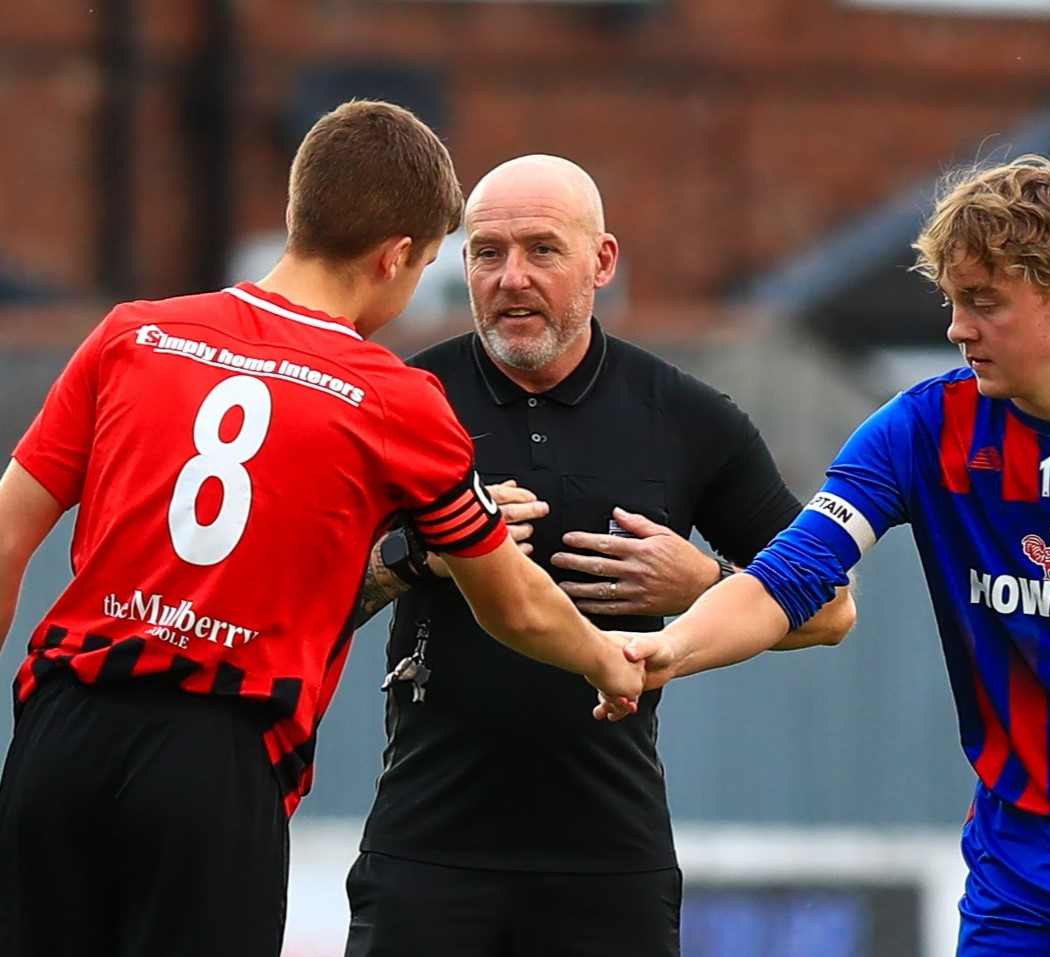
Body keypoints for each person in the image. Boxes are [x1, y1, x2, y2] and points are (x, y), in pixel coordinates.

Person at [0, 103, 642, 957]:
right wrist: (608, 658)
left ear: (301, 213)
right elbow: (512, 603)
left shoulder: (133, 334)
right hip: (214, 757)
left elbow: (8, 533)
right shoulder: (398, 400)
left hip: (62, 733)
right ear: (396, 256)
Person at [606, 155, 1050, 955]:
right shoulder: (924, 429)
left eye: (984, 303)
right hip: (1020, 851)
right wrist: (667, 647)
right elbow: (794, 572)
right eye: (953, 302)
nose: (957, 328)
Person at [344, 154, 855, 957]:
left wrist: (704, 582)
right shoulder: (407, 399)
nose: (512, 278)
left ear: (602, 262)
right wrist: (423, 554)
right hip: (425, 851)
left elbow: (832, 610)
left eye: (542, 249)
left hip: (610, 864)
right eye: (487, 252)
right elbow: (313, 592)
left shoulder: (686, 417)